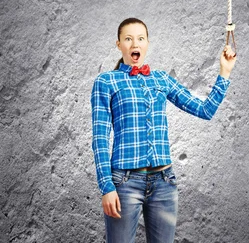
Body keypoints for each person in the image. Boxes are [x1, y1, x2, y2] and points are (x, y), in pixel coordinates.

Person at [91, 17, 237, 243]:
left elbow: (204, 110)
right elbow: (100, 138)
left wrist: (224, 72)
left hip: (164, 183)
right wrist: (106, 186)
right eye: (128, 39)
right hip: (124, 184)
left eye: (140, 38)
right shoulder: (106, 81)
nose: (134, 44)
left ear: (148, 43)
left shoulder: (161, 79)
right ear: (118, 45)